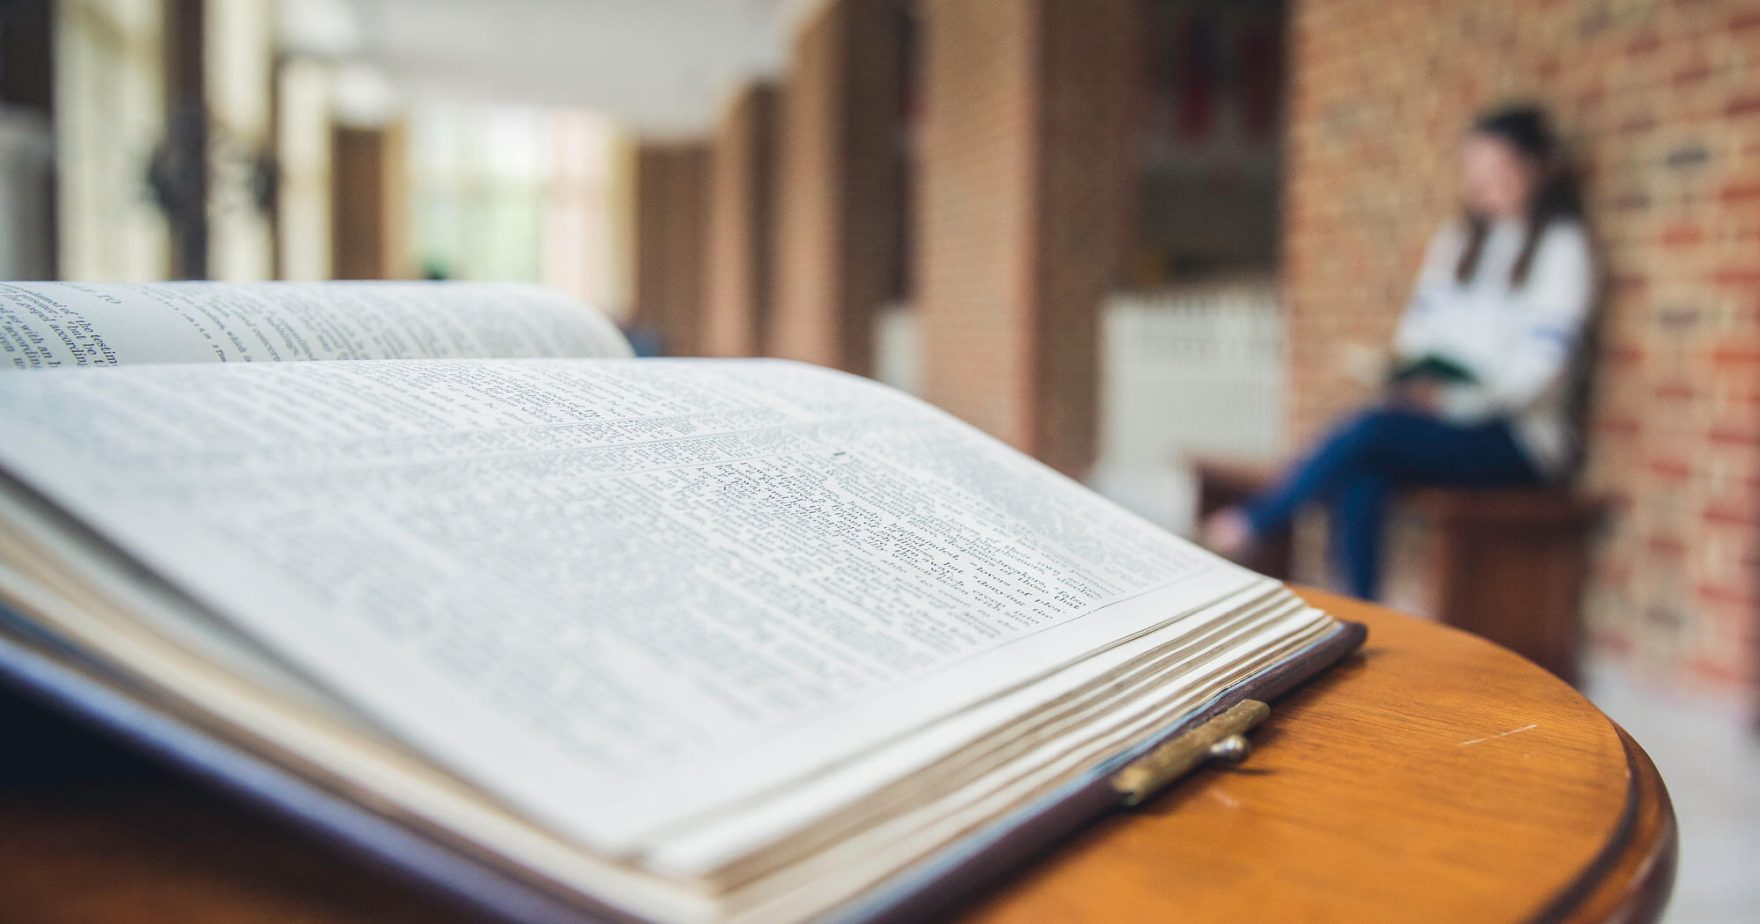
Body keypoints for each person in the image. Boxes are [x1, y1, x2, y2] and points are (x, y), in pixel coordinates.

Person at [1202, 104, 1597, 600]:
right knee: (1365, 473)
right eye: (1476, 173)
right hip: (1445, 421)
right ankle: (1356, 612)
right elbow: (1420, 331)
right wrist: (1412, 376)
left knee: (1371, 430)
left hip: (1518, 440)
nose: (1485, 185)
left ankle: (1258, 519)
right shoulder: (1459, 242)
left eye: (1499, 170)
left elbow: (1544, 369)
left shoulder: (1563, 249)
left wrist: (1456, 401)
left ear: (1537, 167)